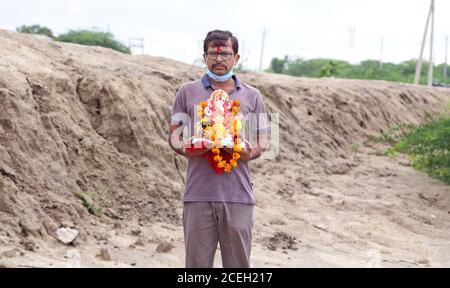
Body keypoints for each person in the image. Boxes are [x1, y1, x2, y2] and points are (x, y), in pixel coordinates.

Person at [168, 30, 269, 268]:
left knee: (238, 266)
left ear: (236, 57)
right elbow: (174, 137)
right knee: (197, 266)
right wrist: (189, 148)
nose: (219, 59)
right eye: (213, 53)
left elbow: (263, 141)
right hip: (198, 194)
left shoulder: (252, 96)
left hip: (238, 196)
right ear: (205, 57)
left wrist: (247, 152)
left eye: (225, 53)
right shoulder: (187, 91)